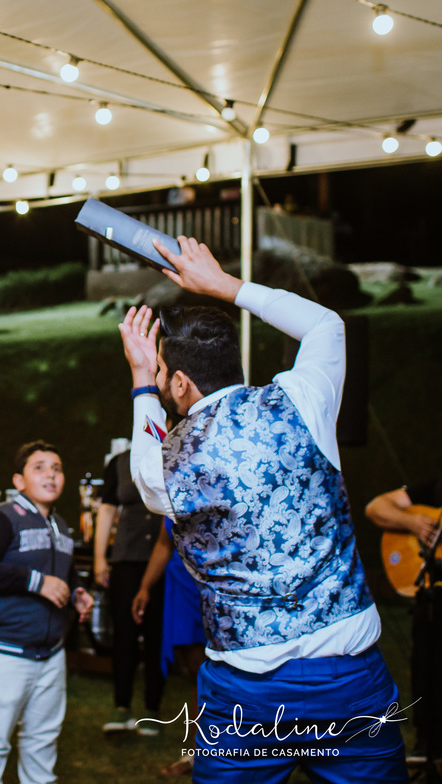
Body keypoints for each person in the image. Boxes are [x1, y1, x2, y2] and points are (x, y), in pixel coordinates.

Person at [119, 234, 407, 782]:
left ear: (179, 381)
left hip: (245, 691)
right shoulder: (303, 399)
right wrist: (225, 286)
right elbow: (325, 325)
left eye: (162, 373)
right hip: (348, 677)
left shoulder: (169, 464)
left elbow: (145, 475)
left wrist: (139, 382)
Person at [0, 440, 93, 784]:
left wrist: (77, 590)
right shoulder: (2, 518)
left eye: (57, 467)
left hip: (50, 653)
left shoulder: (60, 524)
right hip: (2, 649)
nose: (50, 473)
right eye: (39, 467)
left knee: (42, 739)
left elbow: (62, 571)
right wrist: (36, 582)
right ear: (19, 481)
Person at [366, 482, 442, 765]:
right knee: (427, 666)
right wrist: (412, 522)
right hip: (433, 601)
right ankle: (428, 745)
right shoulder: (433, 490)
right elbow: (376, 507)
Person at [92, 445, 165, 734]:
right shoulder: (120, 462)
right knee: (123, 631)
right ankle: (121, 706)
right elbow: (107, 509)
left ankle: (153, 709)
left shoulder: (176, 451)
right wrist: (100, 558)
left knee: (158, 632)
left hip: (163, 560)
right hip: (126, 558)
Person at [132, 518, 206, 777]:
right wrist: (144, 587)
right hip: (185, 585)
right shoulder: (176, 484)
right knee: (200, 671)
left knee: (225, 670)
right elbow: (165, 542)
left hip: (222, 581)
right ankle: (198, 755)